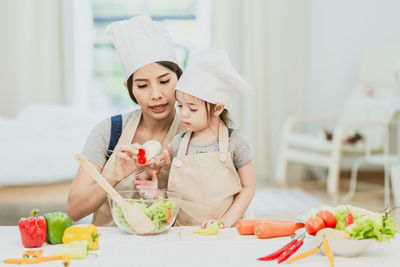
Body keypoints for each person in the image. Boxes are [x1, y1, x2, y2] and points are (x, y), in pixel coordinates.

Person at [67, 15, 185, 226]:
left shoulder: (197, 133)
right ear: (129, 89)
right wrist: (114, 175)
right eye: (142, 85)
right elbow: (74, 210)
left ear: (179, 78)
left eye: (165, 81)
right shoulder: (109, 132)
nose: (156, 94)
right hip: (111, 247)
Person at [135, 48, 255, 228]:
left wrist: (223, 223)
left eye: (192, 108)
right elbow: (179, 197)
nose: (184, 114)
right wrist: (157, 193)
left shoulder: (235, 142)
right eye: (180, 106)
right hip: (184, 233)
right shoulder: (177, 144)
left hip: (226, 232)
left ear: (217, 109)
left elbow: (248, 188)